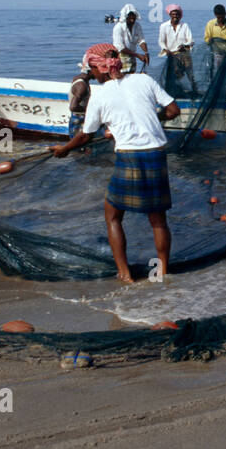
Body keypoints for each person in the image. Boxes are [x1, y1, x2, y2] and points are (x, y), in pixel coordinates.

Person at [52, 48, 180, 282]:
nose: (91, 74)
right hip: (155, 154)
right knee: (157, 218)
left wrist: (64, 149)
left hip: (129, 156)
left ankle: (124, 274)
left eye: (90, 69)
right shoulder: (144, 79)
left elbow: (85, 136)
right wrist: (150, 119)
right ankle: (162, 271)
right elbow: (173, 110)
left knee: (112, 216)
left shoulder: (100, 95)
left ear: (99, 68)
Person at [158, 4, 198, 97]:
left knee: (190, 73)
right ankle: (176, 91)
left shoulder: (184, 26)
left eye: (177, 14)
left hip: (184, 54)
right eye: (173, 14)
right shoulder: (164, 26)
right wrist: (166, 50)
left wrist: (185, 45)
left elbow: (191, 40)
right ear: (170, 15)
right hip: (172, 55)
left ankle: (194, 90)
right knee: (176, 74)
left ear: (180, 15)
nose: (175, 16)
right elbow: (161, 41)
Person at [112, 4, 150, 73]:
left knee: (131, 77)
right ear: (125, 17)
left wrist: (146, 53)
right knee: (122, 78)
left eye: (134, 18)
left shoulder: (137, 26)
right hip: (121, 57)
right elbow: (121, 48)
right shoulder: (118, 28)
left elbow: (141, 40)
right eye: (130, 18)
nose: (132, 21)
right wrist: (138, 55)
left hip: (132, 57)